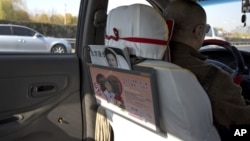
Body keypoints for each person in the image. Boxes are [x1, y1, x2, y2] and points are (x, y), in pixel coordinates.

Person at [164, 0, 250, 136]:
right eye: (205, 29)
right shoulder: (215, 78)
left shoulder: (150, 62)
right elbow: (243, 125)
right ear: (198, 31)